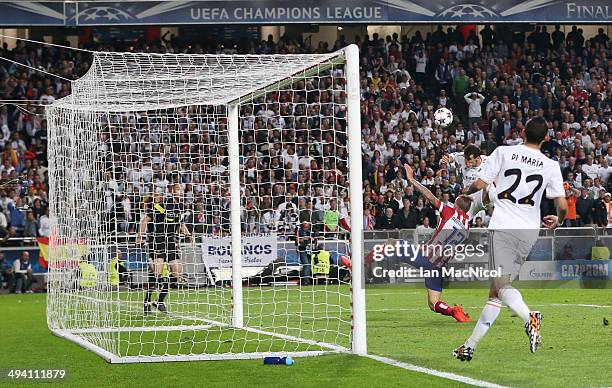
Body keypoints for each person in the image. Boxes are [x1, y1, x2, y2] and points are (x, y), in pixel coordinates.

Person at [454, 117, 567, 361]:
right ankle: (469, 346)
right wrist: (558, 220)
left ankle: (530, 317)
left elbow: (481, 182)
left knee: (501, 286)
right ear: (546, 138)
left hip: (504, 228)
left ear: (523, 131)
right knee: (496, 291)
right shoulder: (550, 165)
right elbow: (562, 204)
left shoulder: (504, 152)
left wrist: (465, 192)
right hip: (528, 231)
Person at [367, 164, 473, 323]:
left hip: (426, 256)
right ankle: (453, 311)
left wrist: (412, 180)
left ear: (456, 205)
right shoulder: (467, 227)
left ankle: (358, 264)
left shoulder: (450, 212)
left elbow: (430, 197)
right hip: (439, 266)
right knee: (433, 303)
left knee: (391, 242)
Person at [136, 184, 193, 313]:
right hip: (158, 240)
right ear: (172, 191)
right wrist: (140, 235)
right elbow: (146, 219)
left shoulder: (180, 208)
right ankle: (147, 301)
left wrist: (189, 236)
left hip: (171, 241)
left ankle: (159, 301)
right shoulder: (161, 205)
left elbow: (181, 224)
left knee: (178, 274)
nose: (181, 192)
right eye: (178, 190)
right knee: (157, 274)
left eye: (182, 190)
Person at [295, 221, 313, 285]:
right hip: (302, 249)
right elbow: (297, 240)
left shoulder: (309, 232)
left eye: (308, 227)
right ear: (302, 226)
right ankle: (305, 281)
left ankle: (307, 280)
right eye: (306, 227)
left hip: (309, 249)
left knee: (309, 265)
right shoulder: (299, 231)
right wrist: (303, 239)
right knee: (306, 265)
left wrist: (311, 239)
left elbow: (313, 239)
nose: (307, 228)